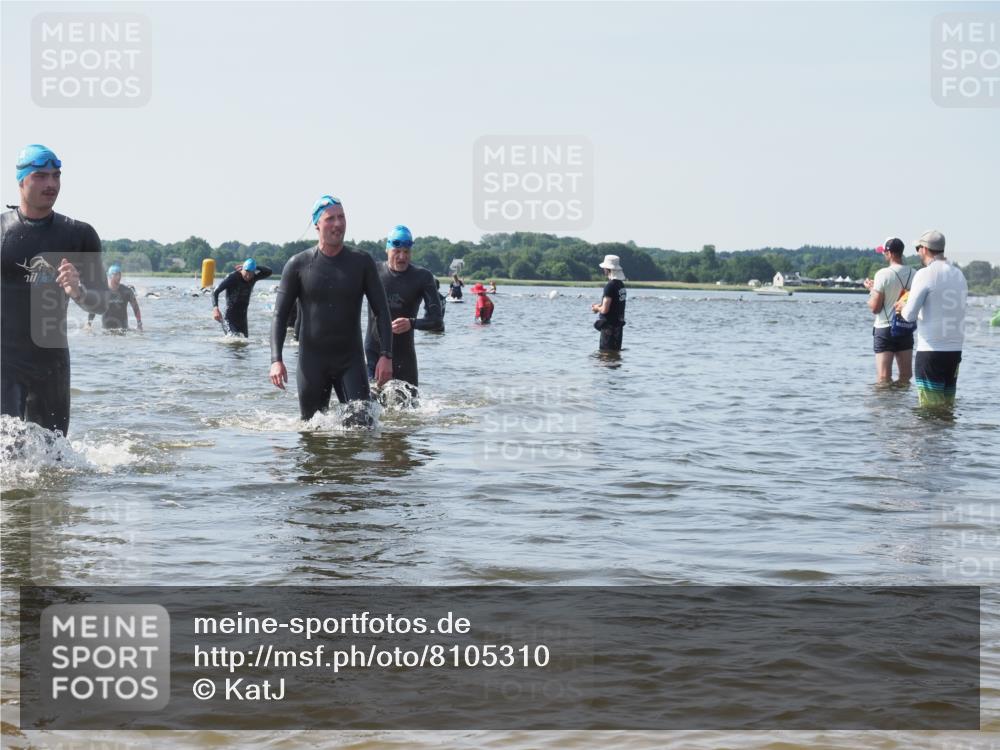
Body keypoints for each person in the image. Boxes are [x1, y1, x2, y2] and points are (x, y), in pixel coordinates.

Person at [1, 144, 109, 435]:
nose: (51, 184)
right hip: (4, 365)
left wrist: (79, 292)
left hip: (50, 366)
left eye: (56, 176)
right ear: (21, 180)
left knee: (53, 463)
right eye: (40, 176)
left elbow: (102, 304)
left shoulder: (78, 235)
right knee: (7, 457)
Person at [269, 195, 393, 420]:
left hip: (351, 361)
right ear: (317, 224)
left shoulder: (361, 262)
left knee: (361, 428)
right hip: (312, 363)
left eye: (342, 217)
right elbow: (279, 315)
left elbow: (382, 311)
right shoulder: (297, 265)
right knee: (311, 433)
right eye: (330, 218)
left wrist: (386, 355)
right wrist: (276, 360)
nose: (338, 224)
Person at [894, 230, 968, 408]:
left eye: (918, 247)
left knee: (929, 411)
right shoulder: (959, 275)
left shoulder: (924, 274)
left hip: (931, 352)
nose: (918, 251)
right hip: (954, 352)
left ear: (925, 249)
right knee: (947, 408)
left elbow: (909, 315)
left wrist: (902, 306)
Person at [364, 225, 443, 387]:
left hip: (404, 359)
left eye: (406, 252)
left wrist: (411, 323)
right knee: (366, 408)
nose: (402, 257)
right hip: (373, 355)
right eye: (397, 251)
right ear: (387, 249)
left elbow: (437, 321)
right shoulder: (373, 272)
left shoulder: (422, 277)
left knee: (409, 410)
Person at [862, 237, 914, 384]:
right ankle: (900, 405)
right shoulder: (914, 274)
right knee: (905, 376)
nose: (884, 255)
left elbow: (875, 307)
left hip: (885, 328)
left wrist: (871, 291)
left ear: (890, 253)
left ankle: (885, 406)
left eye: (884, 252)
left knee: (884, 378)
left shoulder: (882, 274)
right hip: (905, 328)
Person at [211, 257, 272, 336]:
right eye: (247, 271)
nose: (248, 275)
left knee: (244, 342)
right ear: (242, 269)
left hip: (242, 318)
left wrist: (255, 267)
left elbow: (269, 271)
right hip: (229, 317)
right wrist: (215, 308)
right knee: (234, 338)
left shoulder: (254, 278)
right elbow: (215, 291)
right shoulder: (232, 277)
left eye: (251, 272)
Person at [87, 264, 142, 332]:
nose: (118, 277)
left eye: (119, 274)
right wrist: (89, 323)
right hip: (106, 330)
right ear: (110, 276)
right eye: (115, 274)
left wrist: (139, 323)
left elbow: (136, 308)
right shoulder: (103, 292)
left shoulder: (127, 291)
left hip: (123, 329)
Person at [591, 254, 627, 351]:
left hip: (609, 328)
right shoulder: (621, 285)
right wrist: (600, 305)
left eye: (604, 268)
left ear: (608, 269)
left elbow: (605, 310)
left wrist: (596, 308)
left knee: (605, 355)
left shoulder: (610, 286)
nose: (603, 270)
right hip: (618, 327)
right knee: (615, 354)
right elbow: (615, 304)